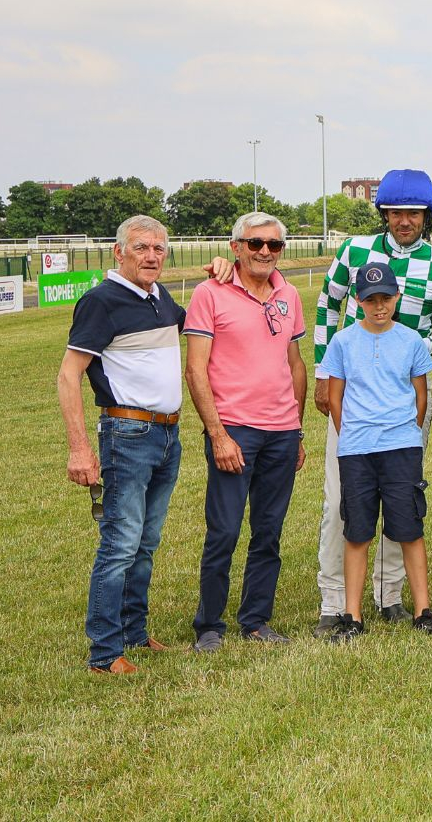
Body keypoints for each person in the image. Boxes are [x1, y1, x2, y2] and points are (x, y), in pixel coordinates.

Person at [309, 167, 432, 639]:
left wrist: (413, 349)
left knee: (403, 496)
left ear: (426, 216)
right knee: (341, 498)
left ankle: (390, 594)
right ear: (384, 214)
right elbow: (327, 306)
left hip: (407, 391)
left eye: (414, 213)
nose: (404, 221)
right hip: (353, 387)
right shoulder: (355, 250)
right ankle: (335, 601)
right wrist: (322, 372)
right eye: (396, 212)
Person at [57, 215, 186, 674]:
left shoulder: (159, 297)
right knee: (120, 544)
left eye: (158, 248)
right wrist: (79, 449)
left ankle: (134, 632)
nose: (151, 256)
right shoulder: (101, 301)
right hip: (128, 436)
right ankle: (105, 652)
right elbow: (68, 375)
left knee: (145, 542)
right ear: (119, 252)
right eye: (140, 248)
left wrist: (221, 270)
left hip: (168, 435)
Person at [186, 212, 310, 652]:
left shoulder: (288, 294)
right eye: (255, 243)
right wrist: (218, 434)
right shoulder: (209, 292)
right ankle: (209, 626)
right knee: (224, 531)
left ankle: (256, 620)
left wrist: (297, 430)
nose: (264, 252)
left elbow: (295, 364)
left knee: (269, 532)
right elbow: (195, 369)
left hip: (282, 433)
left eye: (274, 245)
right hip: (235, 430)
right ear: (236, 247)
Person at [317, 262, 432, 640]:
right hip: (357, 450)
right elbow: (335, 397)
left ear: (397, 297)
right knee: (357, 531)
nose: (379, 306)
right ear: (358, 301)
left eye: (386, 298)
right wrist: (353, 435)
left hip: (401, 447)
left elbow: (420, 395)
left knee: (409, 528)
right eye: (371, 300)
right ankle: (352, 616)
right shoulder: (343, 342)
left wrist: (405, 432)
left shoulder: (410, 341)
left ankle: (423, 611)